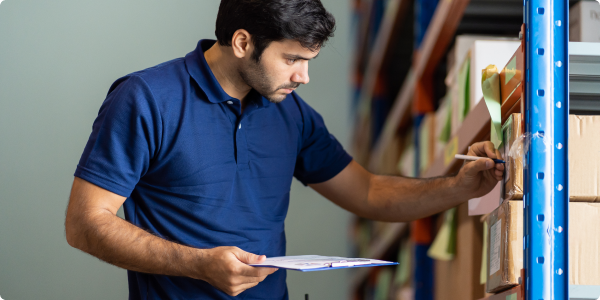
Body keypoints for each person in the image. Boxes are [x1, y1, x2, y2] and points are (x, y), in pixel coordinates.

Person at [64, 0, 504, 299]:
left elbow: (367, 193)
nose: (303, 77)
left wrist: (460, 187)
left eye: (308, 62)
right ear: (242, 43)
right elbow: (85, 224)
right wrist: (199, 264)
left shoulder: (291, 114)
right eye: (292, 60)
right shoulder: (146, 98)